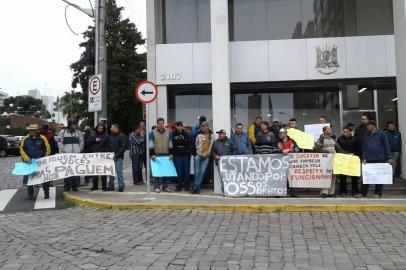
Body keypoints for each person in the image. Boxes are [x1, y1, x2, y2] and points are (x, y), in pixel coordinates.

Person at [361, 120, 393, 198]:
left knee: (379, 177)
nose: (367, 127)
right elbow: (364, 147)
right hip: (368, 159)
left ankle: (378, 193)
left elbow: (386, 146)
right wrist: (364, 157)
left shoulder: (382, 134)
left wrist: (389, 157)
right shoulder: (366, 135)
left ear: (373, 126)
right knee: (366, 177)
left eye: (368, 125)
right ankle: (363, 193)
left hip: (379, 158)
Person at [20, 124, 51, 200]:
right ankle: (30, 194)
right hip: (30, 162)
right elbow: (22, 150)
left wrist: (43, 158)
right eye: (30, 130)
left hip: (41, 162)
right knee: (30, 179)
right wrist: (27, 159)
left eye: (33, 130)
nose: (32, 131)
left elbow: (48, 149)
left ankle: (46, 193)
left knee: (44, 179)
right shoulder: (25, 139)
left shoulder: (42, 138)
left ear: (37, 130)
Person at [315, 126, 346, 198]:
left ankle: (331, 192)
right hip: (324, 161)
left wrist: (348, 154)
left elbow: (339, 149)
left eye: (330, 129)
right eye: (328, 129)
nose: (330, 130)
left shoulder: (333, 139)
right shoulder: (320, 139)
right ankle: (324, 192)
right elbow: (317, 149)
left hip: (333, 160)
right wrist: (327, 151)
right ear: (324, 131)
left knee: (333, 176)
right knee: (326, 176)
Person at [58, 118, 84, 191]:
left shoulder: (78, 132)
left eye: (76, 124)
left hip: (76, 155)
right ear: (70, 124)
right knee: (67, 171)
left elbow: (81, 141)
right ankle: (67, 186)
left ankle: (74, 186)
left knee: (75, 171)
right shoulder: (62, 132)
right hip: (66, 155)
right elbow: (60, 143)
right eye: (74, 124)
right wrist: (63, 152)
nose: (76, 126)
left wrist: (80, 150)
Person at [149, 118, 173, 193]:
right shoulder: (152, 132)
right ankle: (156, 187)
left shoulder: (168, 132)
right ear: (157, 124)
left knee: (165, 172)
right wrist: (152, 154)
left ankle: (165, 187)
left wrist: (171, 153)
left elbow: (170, 143)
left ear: (164, 123)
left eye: (162, 123)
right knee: (157, 172)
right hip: (156, 155)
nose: (161, 124)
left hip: (166, 155)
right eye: (159, 123)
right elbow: (150, 144)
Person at [337, 127, 360, 197]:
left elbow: (358, 149)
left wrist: (355, 155)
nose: (345, 132)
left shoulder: (355, 139)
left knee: (354, 176)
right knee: (343, 177)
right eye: (344, 131)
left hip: (353, 160)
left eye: (346, 131)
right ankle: (343, 192)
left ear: (350, 132)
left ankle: (355, 192)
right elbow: (338, 149)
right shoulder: (339, 139)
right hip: (343, 160)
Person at [276, 128, 299, 197]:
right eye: (279, 133)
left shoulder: (292, 142)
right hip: (280, 163)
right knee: (280, 177)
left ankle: (293, 192)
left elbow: (297, 149)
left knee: (291, 177)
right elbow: (273, 149)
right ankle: (279, 192)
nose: (280, 135)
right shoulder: (277, 142)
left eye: (281, 133)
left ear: (285, 134)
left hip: (290, 162)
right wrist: (281, 151)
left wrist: (289, 150)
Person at [192, 121, 214, 194]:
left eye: (203, 126)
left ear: (207, 126)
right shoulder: (197, 134)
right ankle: (196, 188)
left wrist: (210, 154)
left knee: (202, 173)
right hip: (198, 156)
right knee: (197, 172)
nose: (202, 127)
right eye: (201, 126)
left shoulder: (212, 135)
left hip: (206, 157)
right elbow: (193, 145)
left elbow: (212, 146)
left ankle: (196, 187)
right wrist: (195, 154)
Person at [86, 123, 109, 191]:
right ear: (97, 128)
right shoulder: (93, 135)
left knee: (103, 172)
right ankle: (95, 186)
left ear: (103, 129)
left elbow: (108, 146)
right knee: (95, 172)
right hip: (94, 156)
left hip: (102, 156)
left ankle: (104, 187)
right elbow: (87, 143)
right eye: (99, 128)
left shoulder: (106, 136)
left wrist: (106, 153)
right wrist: (94, 140)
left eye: (101, 128)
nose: (100, 129)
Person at [171, 121, 192, 192]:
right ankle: (178, 186)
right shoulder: (173, 133)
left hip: (186, 155)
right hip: (177, 156)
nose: (179, 127)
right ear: (176, 126)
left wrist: (179, 141)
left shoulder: (186, 134)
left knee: (186, 171)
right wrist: (182, 141)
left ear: (182, 126)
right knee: (178, 172)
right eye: (178, 126)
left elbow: (188, 142)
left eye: (181, 126)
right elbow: (173, 143)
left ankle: (187, 186)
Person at [107, 123, 128, 192]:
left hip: (118, 157)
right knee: (111, 172)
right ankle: (111, 186)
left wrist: (116, 156)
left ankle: (121, 186)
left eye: (111, 127)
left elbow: (123, 147)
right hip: (111, 157)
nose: (110, 129)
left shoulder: (122, 136)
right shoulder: (110, 136)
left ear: (116, 128)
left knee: (119, 172)